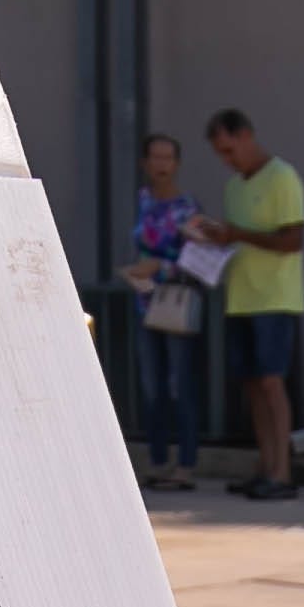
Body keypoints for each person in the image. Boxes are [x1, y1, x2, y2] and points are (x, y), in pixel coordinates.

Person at [193, 109, 304, 502]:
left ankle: (282, 471)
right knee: (253, 387)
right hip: (240, 298)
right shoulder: (233, 187)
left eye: (230, 149)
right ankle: (265, 466)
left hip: (275, 297)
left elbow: (293, 240)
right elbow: (237, 238)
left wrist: (237, 233)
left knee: (273, 383)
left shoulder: (282, 177)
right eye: (220, 154)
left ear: (246, 135)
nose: (228, 160)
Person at [123, 132, 204, 492]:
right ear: (145, 163)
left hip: (175, 303)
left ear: (177, 164)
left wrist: (160, 267)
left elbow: (197, 260)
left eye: (167, 158)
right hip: (144, 302)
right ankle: (158, 462)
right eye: (155, 157)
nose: (161, 165)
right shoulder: (143, 200)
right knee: (152, 388)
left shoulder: (187, 208)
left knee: (180, 386)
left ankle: (185, 464)